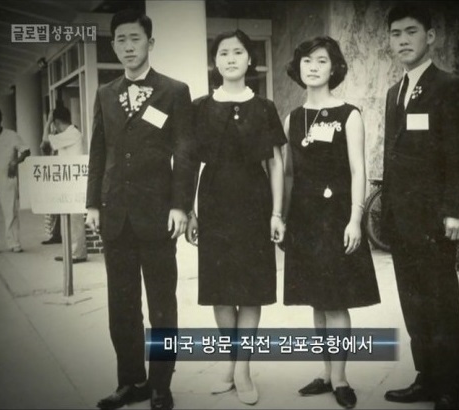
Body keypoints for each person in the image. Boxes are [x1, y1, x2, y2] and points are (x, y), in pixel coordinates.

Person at [85, 9, 194, 410]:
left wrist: (181, 206)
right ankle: (130, 381)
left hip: (158, 215)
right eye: (121, 40)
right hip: (115, 215)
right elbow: (99, 151)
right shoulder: (105, 93)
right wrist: (92, 203)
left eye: (135, 38)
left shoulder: (174, 91)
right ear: (113, 46)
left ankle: (161, 386)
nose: (128, 46)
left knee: (162, 305)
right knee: (122, 306)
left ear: (150, 43)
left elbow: (185, 154)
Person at [381, 3, 459, 410]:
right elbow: (392, 157)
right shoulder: (394, 92)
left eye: (411, 31)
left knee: (441, 303)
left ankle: (451, 388)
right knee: (414, 303)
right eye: (396, 33)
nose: (403, 40)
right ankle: (426, 378)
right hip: (402, 221)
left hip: (435, 220)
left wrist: (456, 209)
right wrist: (386, 213)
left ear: (430, 36)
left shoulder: (450, 86)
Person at [185, 29, 286, 406]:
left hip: (255, 204)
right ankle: (231, 362)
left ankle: (243, 368)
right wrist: (190, 211)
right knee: (220, 290)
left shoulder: (265, 107)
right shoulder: (199, 107)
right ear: (215, 61)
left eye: (238, 52)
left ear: (250, 59)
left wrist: (277, 213)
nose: (230, 59)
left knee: (251, 288)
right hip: (213, 203)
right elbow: (188, 162)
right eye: (223, 53)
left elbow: (275, 164)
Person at [283, 36, 381, 409]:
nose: (313, 67)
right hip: (304, 220)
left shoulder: (349, 114)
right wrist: (282, 217)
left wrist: (356, 218)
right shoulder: (293, 118)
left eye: (321, 60)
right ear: (298, 67)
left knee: (336, 300)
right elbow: (288, 174)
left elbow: (358, 170)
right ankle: (325, 374)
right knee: (316, 301)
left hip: (337, 217)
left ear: (334, 67)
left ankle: (340, 378)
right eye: (307, 60)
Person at [41, 106, 87, 263]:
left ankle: (78, 253)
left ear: (57, 122)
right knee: (67, 218)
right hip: (67, 181)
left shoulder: (72, 133)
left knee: (74, 219)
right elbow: (45, 148)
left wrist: (48, 122)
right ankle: (70, 252)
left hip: (74, 182)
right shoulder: (67, 135)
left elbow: (45, 141)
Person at [0, 105, 30, 253]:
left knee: (10, 210)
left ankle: (13, 242)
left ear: (0, 119)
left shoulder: (11, 135)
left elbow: (26, 151)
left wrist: (15, 162)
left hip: (6, 175)